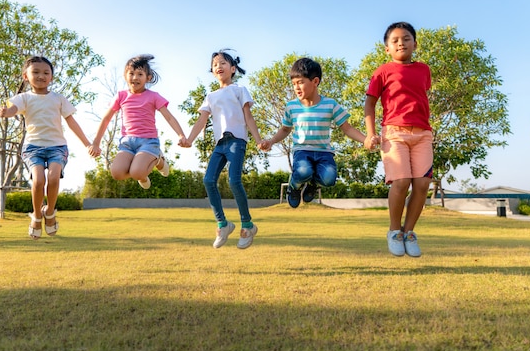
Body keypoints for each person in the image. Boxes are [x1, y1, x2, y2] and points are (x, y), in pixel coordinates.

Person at [0, 56, 99, 240]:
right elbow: (13, 110)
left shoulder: (58, 99)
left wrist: (88, 144)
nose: (41, 76)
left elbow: (72, 123)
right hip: (33, 147)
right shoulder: (24, 98)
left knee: (53, 177)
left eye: (46, 73)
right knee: (38, 180)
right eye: (35, 72)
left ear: (51, 77)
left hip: (57, 146)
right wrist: (6, 113)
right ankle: (36, 216)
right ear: (26, 76)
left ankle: (49, 213)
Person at [364, 21, 433, 258]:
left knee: (422, 184)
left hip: (423, 133)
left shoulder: (424, 70)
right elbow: (370, 103)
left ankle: (409, 232)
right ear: (387, 48)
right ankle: (394, 231)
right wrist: (370, 133)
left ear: (414, 43)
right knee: (401, 182)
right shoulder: (382, 71)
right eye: (395, 40)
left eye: (406, 38)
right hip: (394, 133)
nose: (401, 43)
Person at [260, 57, 368, 208]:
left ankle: (312, 185)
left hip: (324, 152)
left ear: (315, 81)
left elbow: (347, 128)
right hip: (302, 150)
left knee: (329, 179)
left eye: (300, 82)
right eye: (294, 84)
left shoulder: (330, 104)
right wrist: (271, 141)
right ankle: (294, 187)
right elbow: (285, 129)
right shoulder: (291, 107)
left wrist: (365, 139)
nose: (296, 88)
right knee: (303, 171)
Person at [183, 49, 263, 249]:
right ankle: (223, 224)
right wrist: (189, 139)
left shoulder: (239, 90)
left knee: (234, 180)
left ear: (233, 68)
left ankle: (247, 225)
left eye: (223, 63)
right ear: (212, 71)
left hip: (237, 141)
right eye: (215, 64)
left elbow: (248, 117)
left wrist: (259, 139)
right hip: (220, 144)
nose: (218, 66)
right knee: (208, 180)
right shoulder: (210, 96)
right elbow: (201, 120)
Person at [90, 54, 189, 189]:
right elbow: (106, 118)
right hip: (127, 143)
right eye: (131, 73)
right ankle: (141, 173)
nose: (135, 77)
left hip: (148, 141)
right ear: (125, 75)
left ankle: (158, 159)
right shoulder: (121, 96)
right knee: (117, 173)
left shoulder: (153, 96)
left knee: (136, 172)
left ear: (147, 78)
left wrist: (181, 135)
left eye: (140, 74)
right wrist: (96, 142)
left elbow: (169, 117)